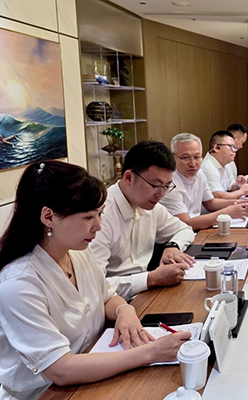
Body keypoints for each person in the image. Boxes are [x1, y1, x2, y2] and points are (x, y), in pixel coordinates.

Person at [0, 161, 190, 399]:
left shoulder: (77, 251)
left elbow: (107, 296)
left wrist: (124, 310)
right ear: (48, 216)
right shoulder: (18, 284)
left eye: (100, 214)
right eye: (88, 217)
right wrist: (151, 353)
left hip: (95, 372)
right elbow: (61, 370)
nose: (98, 227)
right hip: (46, 393)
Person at [91, 141, 196, 301]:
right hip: (115, 303)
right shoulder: (100, 216)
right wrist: (150, 279)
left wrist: (172, 246)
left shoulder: (150, 206)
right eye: (156, 185)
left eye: (167, 186)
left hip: (146, 293)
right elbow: (94, 287)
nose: (161, 194)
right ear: (128, 177)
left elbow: (185, 229)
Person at [161, 133, 248, 230]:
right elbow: (186, 223)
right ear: (173, 157)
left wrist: (235, 203)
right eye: (185, 157)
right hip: (178, 233)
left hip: (197, 229)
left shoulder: (199, 174)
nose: (192, 164)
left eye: (197, 157)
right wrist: (227, 213)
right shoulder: (168, 183)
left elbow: (210, 203)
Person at [201, 130, 248, 199]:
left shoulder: (226, 164)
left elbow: (230, 187)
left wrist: (238, 185)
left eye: (235, 147)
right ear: (216, 148)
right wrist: (242, 191)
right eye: (230, 146)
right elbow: (219, 197)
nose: (234, 151)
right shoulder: (208, 168)